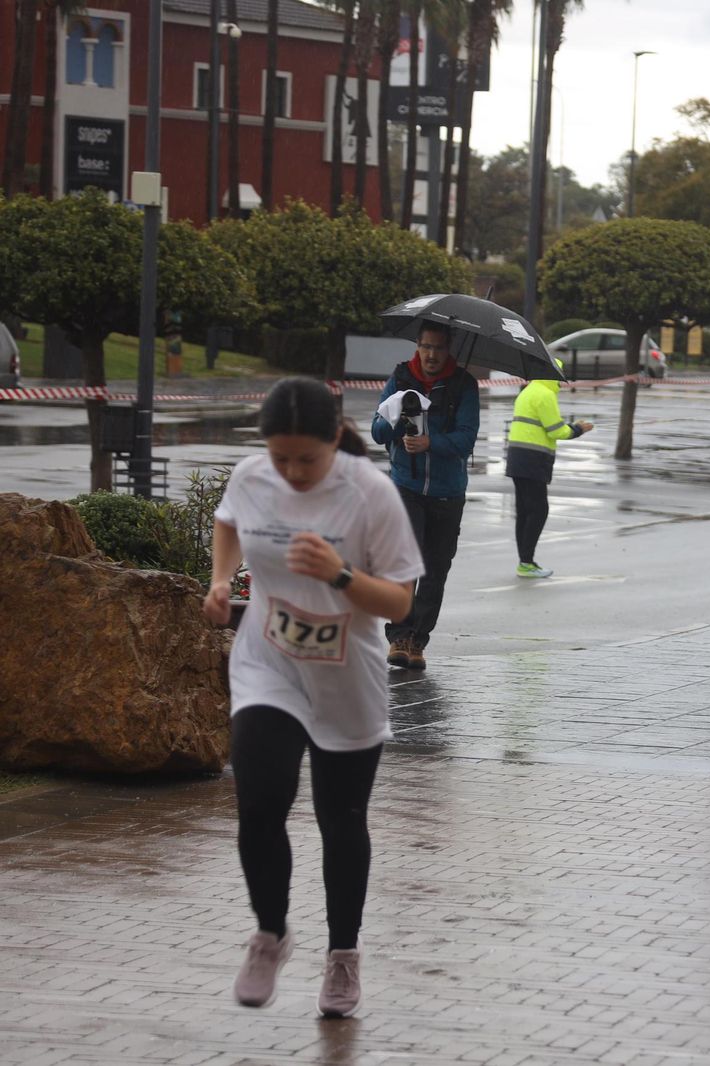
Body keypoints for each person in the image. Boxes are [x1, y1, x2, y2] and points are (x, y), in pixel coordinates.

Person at [202, 378, 424, 1018]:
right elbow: (227, 524)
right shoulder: (253, 476)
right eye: (281, 459)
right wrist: (219, 582)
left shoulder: (370, 494)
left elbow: (401, 601)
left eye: (307, 459)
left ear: (334, 441)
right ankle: (270, 933)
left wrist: (340, 574)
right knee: (261, 801)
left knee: (341, 819)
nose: (293, 472)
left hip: (345, 675)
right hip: (269, 661)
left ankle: (343, 956)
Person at [371, 323, 479, 671]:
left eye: (438, 348)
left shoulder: (464, 385)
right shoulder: (401, 379)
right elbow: (376, 432)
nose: (431, 355)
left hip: (448, 493)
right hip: (406, 486)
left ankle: (418, 641)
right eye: (425, 347)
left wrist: (432, 442)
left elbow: (466, 439)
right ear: (417, 346)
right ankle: (398, 636)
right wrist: (397, 420)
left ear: (449, 350)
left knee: (435, 570)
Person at [506, 360, 592, 579]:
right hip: (533, 459)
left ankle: (524, 561)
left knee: (525, 511)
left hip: (517, 458)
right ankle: (526, 562)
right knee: (538, 510)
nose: (562, 380)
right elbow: (557, 431)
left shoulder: (528, 391)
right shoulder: (545, 395)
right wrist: (578, 429)